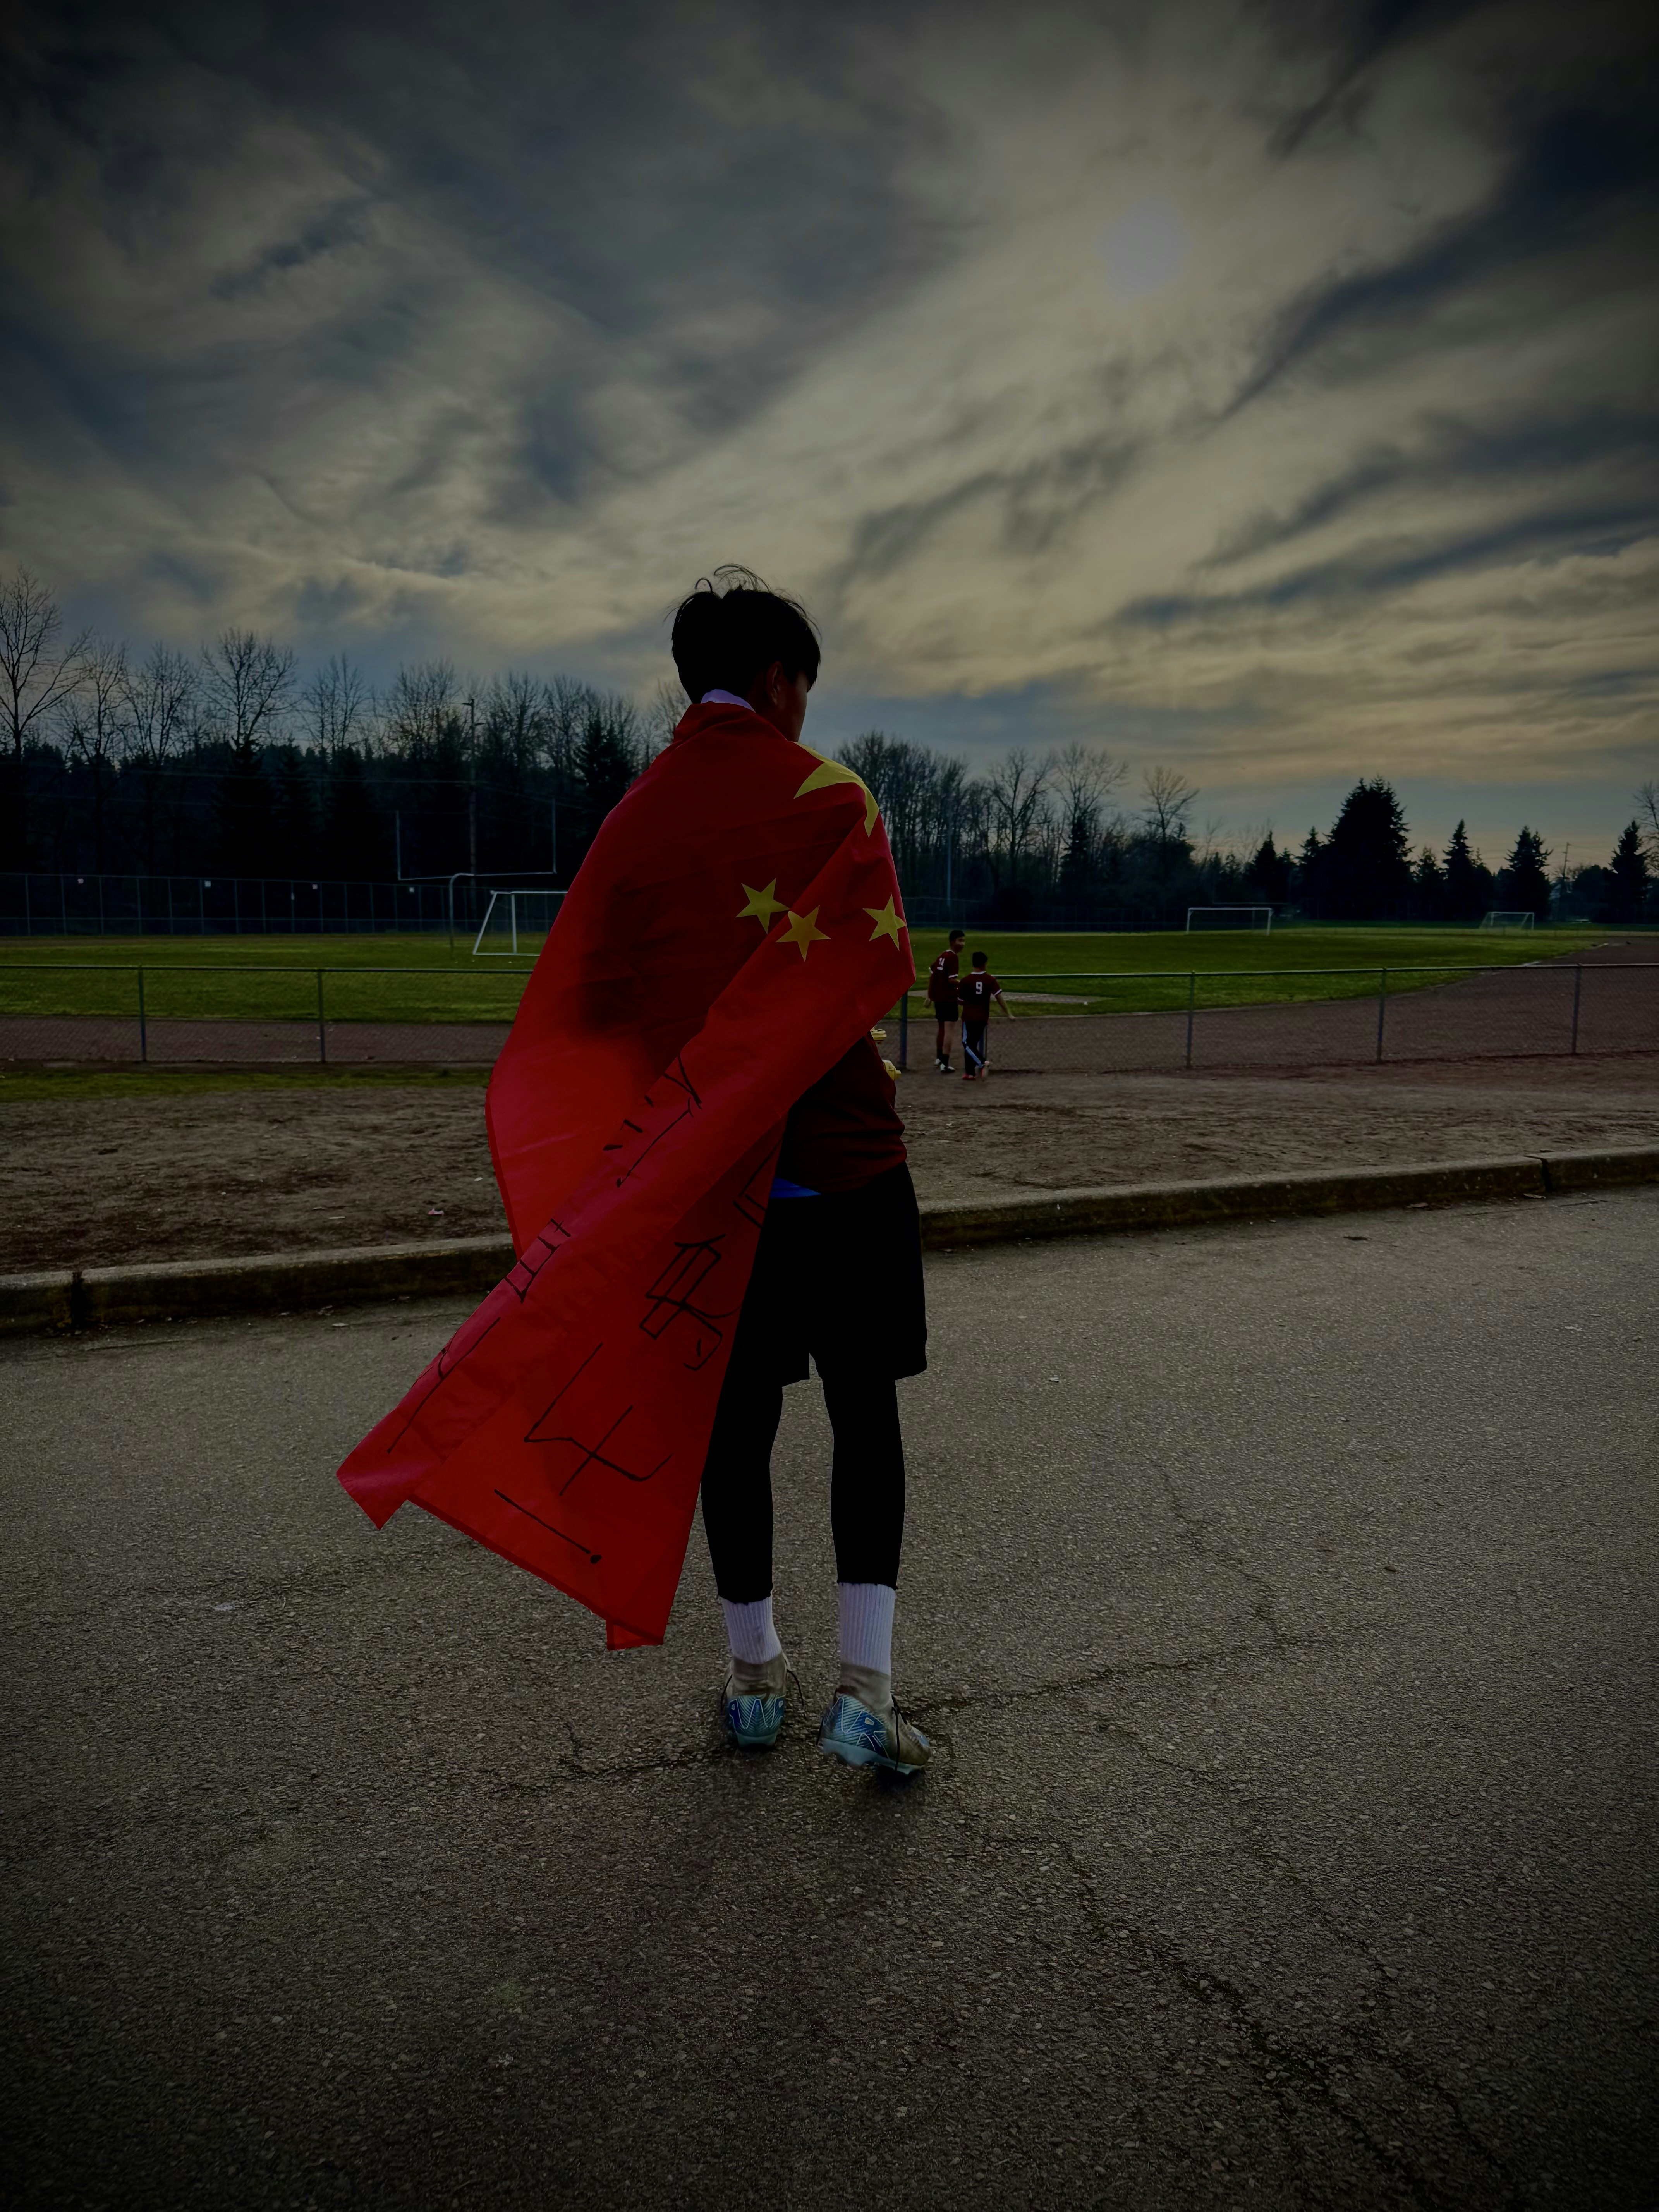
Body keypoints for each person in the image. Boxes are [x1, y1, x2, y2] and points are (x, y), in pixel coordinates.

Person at [673, 577, 933, 1777]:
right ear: (780, 678)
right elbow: (882, 971)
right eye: (806, 688)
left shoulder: (648, 816)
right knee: (864, 1413)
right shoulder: (834, 798)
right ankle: (866, 1694)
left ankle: (753, 1676)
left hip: (724, 1185)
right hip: (848, 1170)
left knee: (737, 1426)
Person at [957, 949, 1013, 1080]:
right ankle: (970, 1073)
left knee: (967, 1044)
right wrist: (1009, 1013)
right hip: (983, 1018)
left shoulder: (965, 981)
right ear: (984, 964)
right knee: (972, 1045)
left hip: (969, 1018)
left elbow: (960, 1002)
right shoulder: (990, 980)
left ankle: (982, 1063)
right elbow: (999, 998)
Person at [927, 928, 965, 1071]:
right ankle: (945, 1063)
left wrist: (930, 996)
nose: (963, 944)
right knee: (949, 1030)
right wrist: (965, 985)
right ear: (952, 942)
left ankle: (938, 1058)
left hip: (939, 998)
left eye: (964, 941)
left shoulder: (942, 956)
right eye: (960, 941)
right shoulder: (953, 957)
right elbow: (952, 980)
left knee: (942, 1029)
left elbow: (933, 972)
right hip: (949, 999)